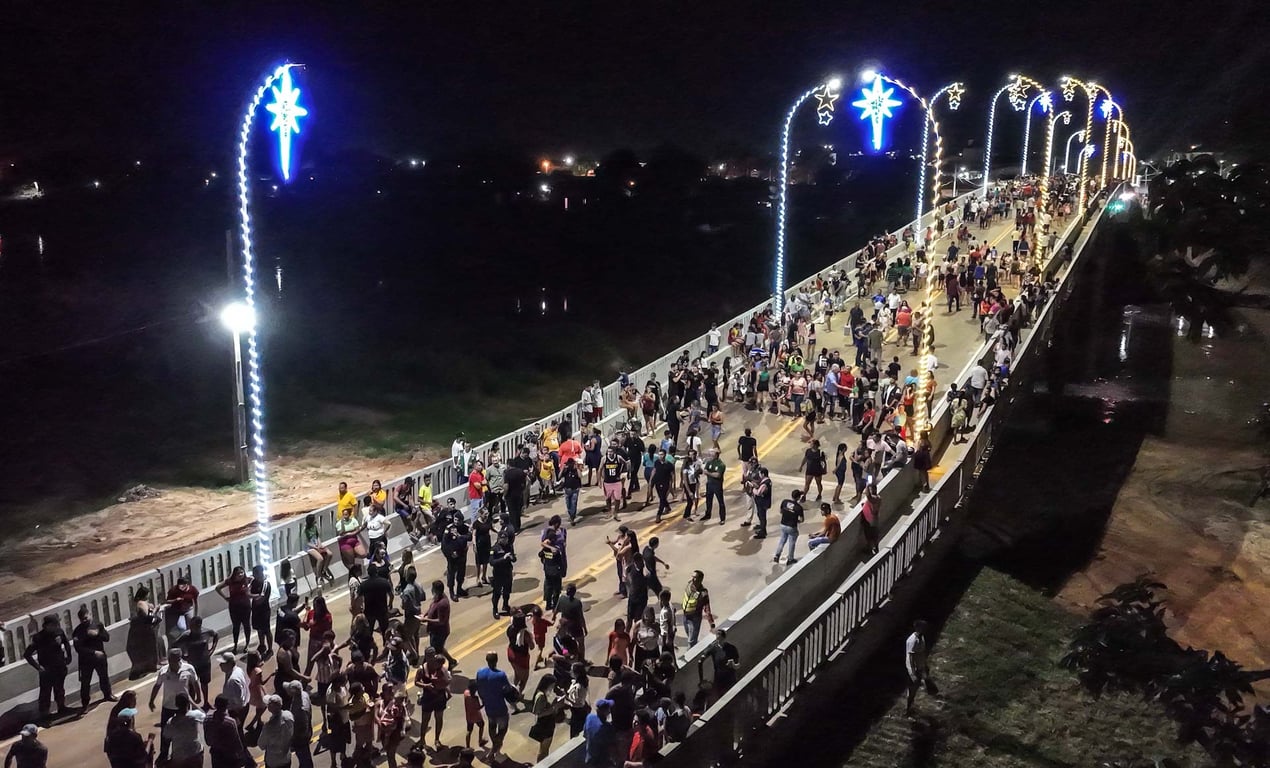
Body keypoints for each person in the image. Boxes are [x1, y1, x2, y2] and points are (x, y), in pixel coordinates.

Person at [150, 648, 200, 762]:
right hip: (168, 707)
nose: (171, 662)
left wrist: (198, 696)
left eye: (174, 660)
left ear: (179, 659)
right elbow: (157, 685)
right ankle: (164, 753)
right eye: (170, 660)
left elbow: (195, 682)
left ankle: (182, 753)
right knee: (165, 733)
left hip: (183, 708)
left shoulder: (189, 669)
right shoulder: (163, 671)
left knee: (186, 731)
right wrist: (151, 700)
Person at [25, 615, 72, 719]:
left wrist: (69, 656)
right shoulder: (38, 638)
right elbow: (27, 654)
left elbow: (67, 643)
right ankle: (45, 714)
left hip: (59, 666)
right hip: (47, 669)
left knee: (59, 689)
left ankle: (62, 707)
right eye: (54, 624)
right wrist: (38, 667)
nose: (56, 626)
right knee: (45, 692)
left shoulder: (59, 632)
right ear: (47, 626)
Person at [71, 606, 115, 709]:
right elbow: (79, 648)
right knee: (85, 683)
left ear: (90, 615)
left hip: (100, 658)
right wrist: (93, 652)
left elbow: (106, 638)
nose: (85, 621)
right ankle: (85, 704)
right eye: (83, 619)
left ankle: (108, 695)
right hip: (86, 661)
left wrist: (97, 634)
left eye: (86, 618)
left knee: (104, 677)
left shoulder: (97, 625)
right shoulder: (78, 631)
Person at [473, 653, 514, 761]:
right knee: (503, 728)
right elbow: (508, 689)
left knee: (492, 726)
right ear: (496, 660)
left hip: (488, 706)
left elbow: (478, 687)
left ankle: (495, 745)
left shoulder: (480, 672)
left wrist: (484, 699)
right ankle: (494, 749)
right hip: (500, 706)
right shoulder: (500, 675)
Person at [173, 615, 218, 706]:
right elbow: (174, 645)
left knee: (204, 683)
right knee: (192, 685)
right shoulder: (186, 636)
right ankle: (192, 705)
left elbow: (216, 635)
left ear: (199, 625)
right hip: (193, 665)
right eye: (191, 625)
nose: (191, 628)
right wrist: (183, 657)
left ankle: (206, 702)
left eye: (193, 626)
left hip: (205, 662)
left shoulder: (206, 632)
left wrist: (212, 649)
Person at [126, 585, 164, 679]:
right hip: (145, 629)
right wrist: (155, 609)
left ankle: (152, 664)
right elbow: (148, 617)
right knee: (150, 648)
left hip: (145, 629)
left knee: (151, 647)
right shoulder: (141, 603)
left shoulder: (139, 603)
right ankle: (151, 666)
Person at [905, 620, 938, 716]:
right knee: (912, 689)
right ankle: (907, 710)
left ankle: (910, 707)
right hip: (914, 669)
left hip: (920, 667)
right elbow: (910, 657)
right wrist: (912, 673)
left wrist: (924, 665)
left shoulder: (921, 638)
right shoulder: (913, 641)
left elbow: (921, 653)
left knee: (915, 688)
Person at [164, 693, 206, 768]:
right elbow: (204, 715)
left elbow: (166, 736)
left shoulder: (171, 721)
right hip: (195, 753)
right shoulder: (195, 715)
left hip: (179, 756)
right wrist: (194, 704)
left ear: (176, 704)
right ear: (188, 703)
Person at [424, 579, 459, 668]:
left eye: (433, 589)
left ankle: (437, 669)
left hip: (440, 632)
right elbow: (432, 607)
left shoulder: (443, 603)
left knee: (435, 651)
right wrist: (425, 615)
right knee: (439, 648)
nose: (431, 590)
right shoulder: (437, 597)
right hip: (434, 630)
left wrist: (426, 620)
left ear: (436, 590)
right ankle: (452, 661)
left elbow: (441, 621)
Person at [204, 695, 246, 768]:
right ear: (226, 706)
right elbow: (236, 740)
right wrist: (241, 752)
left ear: (215, 705)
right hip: (229, 755)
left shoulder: (207, 719)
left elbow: (207, 740)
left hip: (216, 754)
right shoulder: (230, 722)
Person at [528, 673, 564, 761]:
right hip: (545, 726)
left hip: (546, 725)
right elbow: (538, 713)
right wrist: (554, 707)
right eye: (552, 685)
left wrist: (554, 704)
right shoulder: (541, 696)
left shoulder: (541, 693)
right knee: (544, 750)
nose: (553, 688)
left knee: (544, 749)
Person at [258, 695, 296, 768]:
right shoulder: (289, 715)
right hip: (286, 757)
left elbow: (261, 744)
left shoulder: (269, 726)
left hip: (273, 761)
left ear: (269, 708)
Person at [680, 571, 715, 647]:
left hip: (694, 619)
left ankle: (691, 656)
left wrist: (712, 624)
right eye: (692, 576)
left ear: (700, 580)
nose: (692, 579)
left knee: (691, 641)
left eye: (695, 578)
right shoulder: (689, 584)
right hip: (685, 616)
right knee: (690, 636)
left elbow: (707, 609)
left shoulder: (703, 593)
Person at [773, 490, 805, 566]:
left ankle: (777, 555)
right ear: (798, 497)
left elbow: (781, 511)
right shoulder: (799, 507)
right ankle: (790, 558)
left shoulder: (785, 502)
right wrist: (796, 521)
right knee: (792, 543)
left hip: (783, 524)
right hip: (791, 526)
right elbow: (802, 520)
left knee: (782, 540)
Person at [583, 699, 618, 767]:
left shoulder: (589, 718)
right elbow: (612, 747)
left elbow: (585, 735)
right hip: (601, 762)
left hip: (589, 758)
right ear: (607, 711)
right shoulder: (607, 727)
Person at [701, 449, 727, 523]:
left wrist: (708, 473)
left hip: (717, 485)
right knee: (708, 501)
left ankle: (722, 518)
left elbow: (717, 475)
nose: (710, 456)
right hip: (709, 484)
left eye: (711, 455)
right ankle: (708, 514)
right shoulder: (709, 462)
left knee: (720, 502)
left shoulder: (721, 464)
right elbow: (705, 471)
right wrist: (711, 473)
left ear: (716, 455)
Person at [463, 679, 487, 750]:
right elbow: (478, 708)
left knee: (469, 730)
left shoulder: (466, 693)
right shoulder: (475, 698)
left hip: (468, 715)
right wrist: (484, 704)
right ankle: (480, 740)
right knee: (482, 725)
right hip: (476, 716)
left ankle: (467, 746)